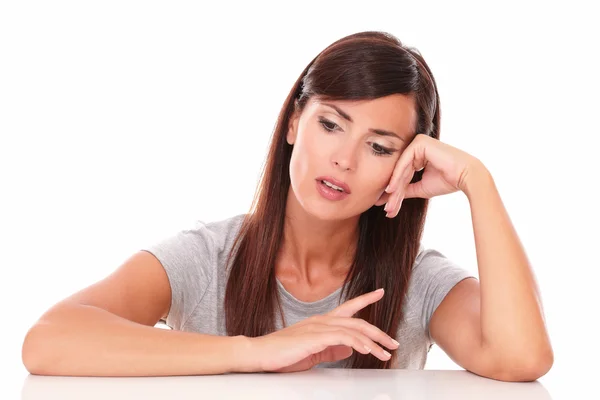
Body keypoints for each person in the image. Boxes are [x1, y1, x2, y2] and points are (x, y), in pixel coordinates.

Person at [21, 31, 553, 381]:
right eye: (331, 125)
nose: (344, 159)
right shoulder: (208, 257)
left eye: (379, 146)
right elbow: (48, 340)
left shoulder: (417, 281)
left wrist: (476, 181)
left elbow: (523, 357)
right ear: (295, 123)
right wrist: (254, 351)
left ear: (405, 165)